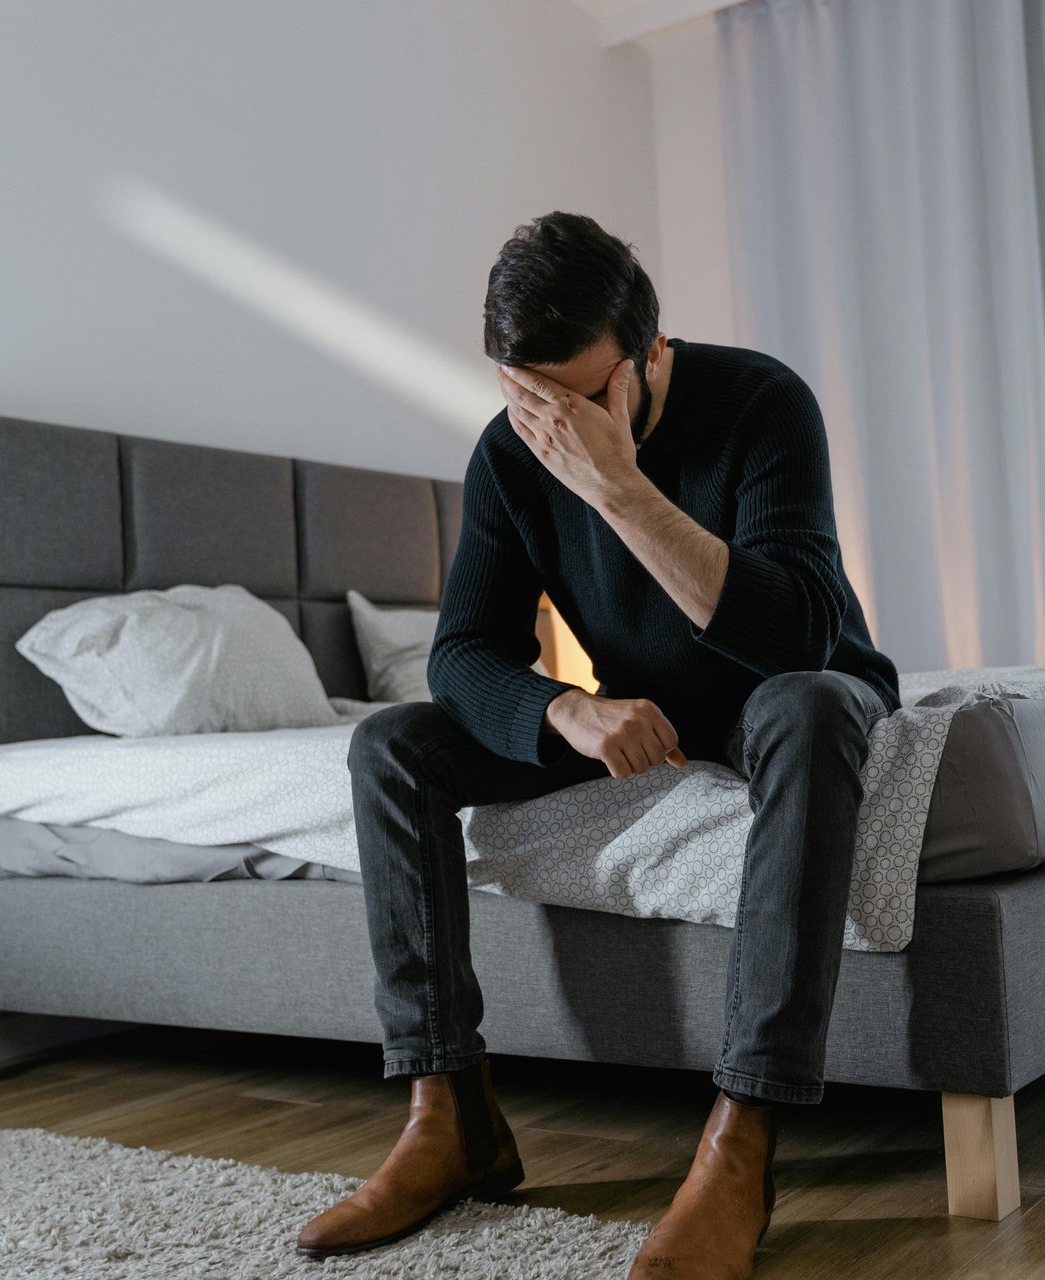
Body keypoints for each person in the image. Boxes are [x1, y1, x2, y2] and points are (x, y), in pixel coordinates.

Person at [296, 212, 899, 1279]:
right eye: (528, 399)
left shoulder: (762, 401)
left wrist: (617, 483)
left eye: (578, 399)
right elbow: (461, 654)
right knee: (392, 744)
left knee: (810, 706)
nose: (552, 428)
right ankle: (452, 1116)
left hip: (787, 689)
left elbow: (793, 631)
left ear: (650, 354)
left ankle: (743, 1139)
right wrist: (563, 710)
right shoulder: (508, 451)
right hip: (637, 709)